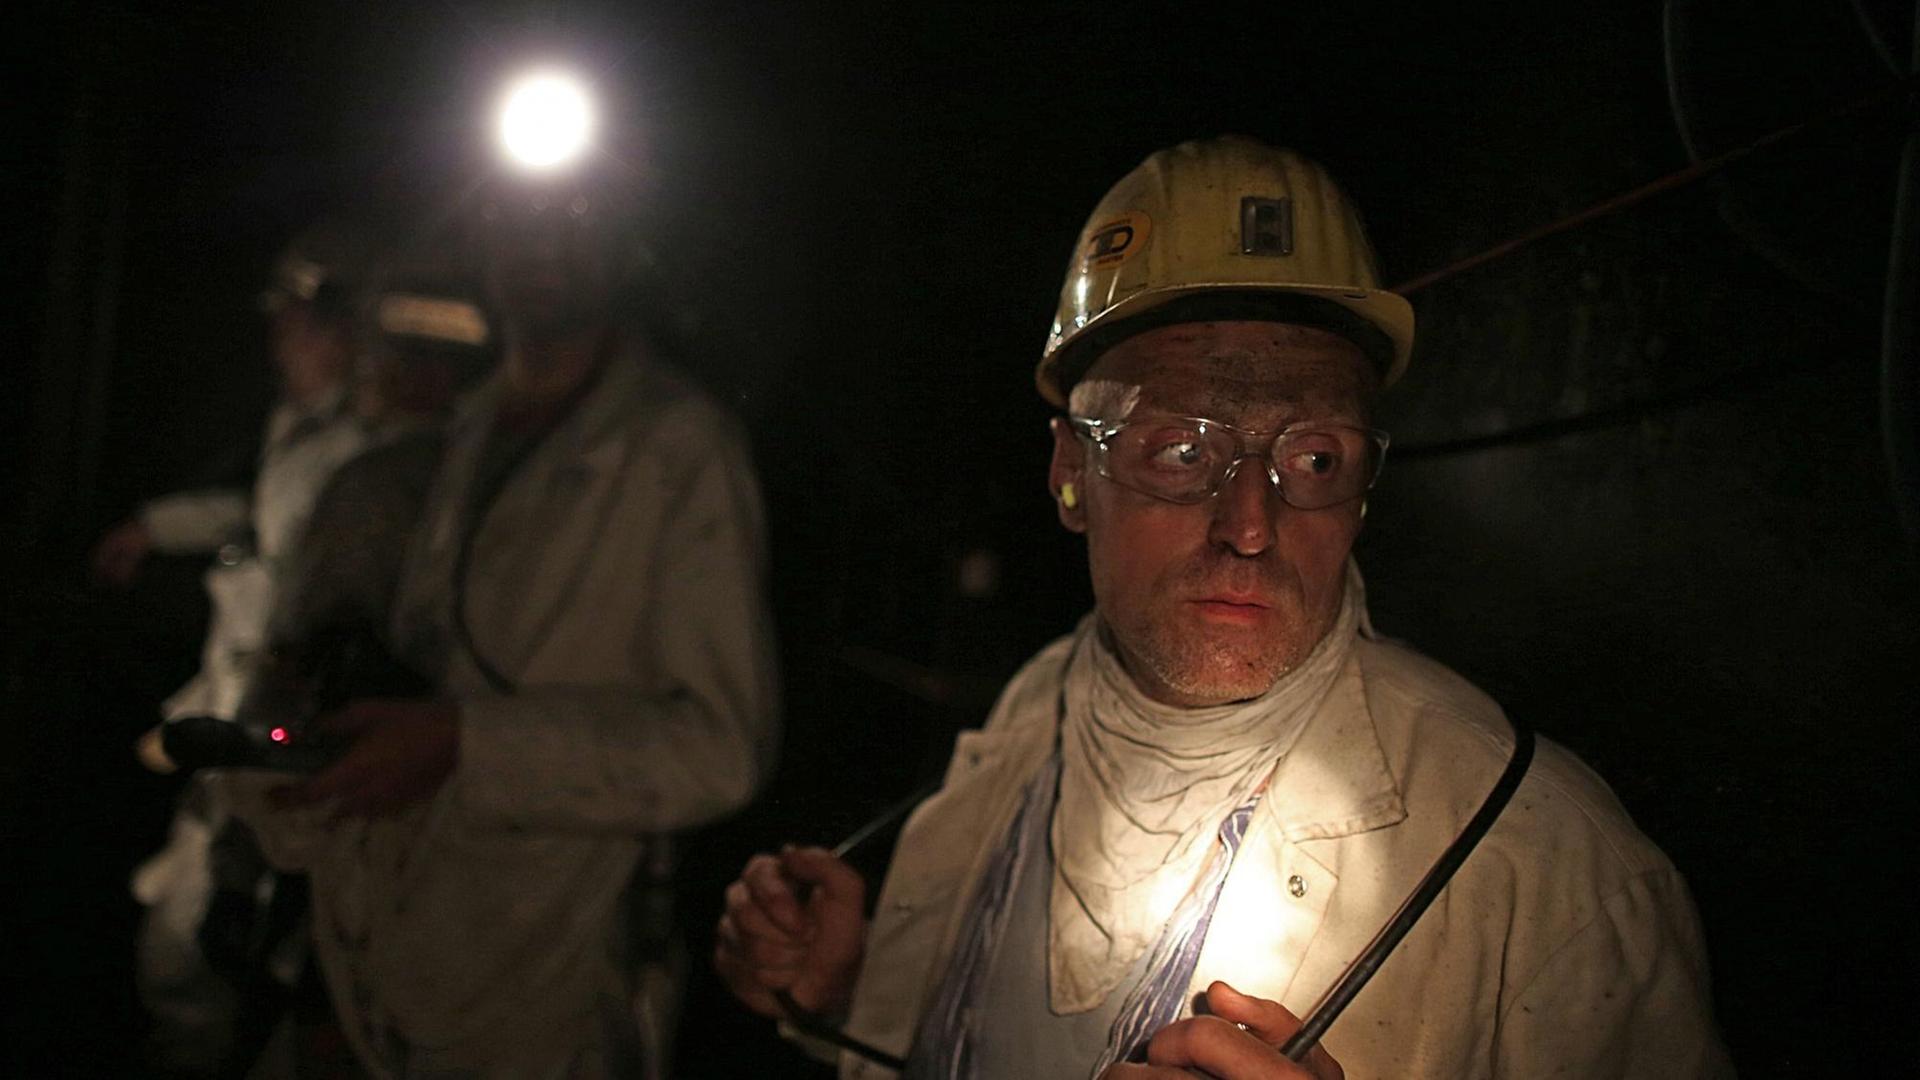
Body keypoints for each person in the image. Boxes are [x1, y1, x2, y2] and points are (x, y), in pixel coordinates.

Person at [715, 137, 1732, 1079]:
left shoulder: (1551, 874)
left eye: (1315, 457)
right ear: (1071, 472)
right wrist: (855, 995)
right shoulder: (1041, 711)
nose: (1250, 524)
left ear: (1364, 488)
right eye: (1183, 450)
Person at [235, 161, 781, 1080]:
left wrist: (466, 745)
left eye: (574, 210)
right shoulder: (465, 435)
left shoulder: (677, 449)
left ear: (623, 240)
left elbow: (719, 749)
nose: (540, 238)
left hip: (543, 987)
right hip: (385, 956)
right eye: (515, 211)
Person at [119, 223, 379, 1075]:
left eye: (296, 323)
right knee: (193, 938)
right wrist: (153, 528)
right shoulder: (301, 431)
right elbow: (256, 519)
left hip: (284, 738)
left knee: (220, 950)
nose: (281, 342)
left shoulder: (368, 454)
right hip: (239, 721)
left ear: (336, 329)